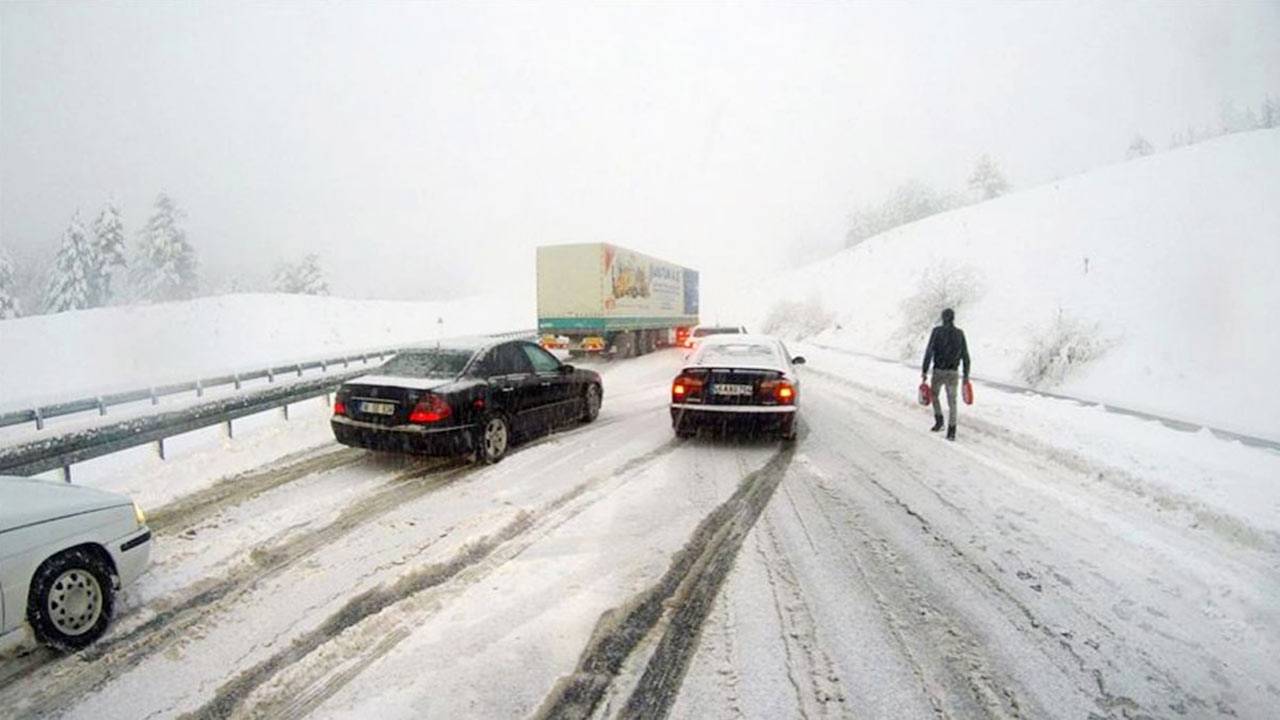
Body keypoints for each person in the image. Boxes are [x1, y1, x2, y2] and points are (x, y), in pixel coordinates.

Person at [921, 308, 970, 441]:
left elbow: (929, 351)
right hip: (953, 373)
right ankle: (952, 431)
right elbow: (965, 356)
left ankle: (939, 420)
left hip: (938, 371)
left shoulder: (937, 332)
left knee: (934, 395)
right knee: (952, 402)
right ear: (953, 318)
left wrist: (924, 370)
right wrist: (966, 376)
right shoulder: (959, 334)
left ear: (943, 318)